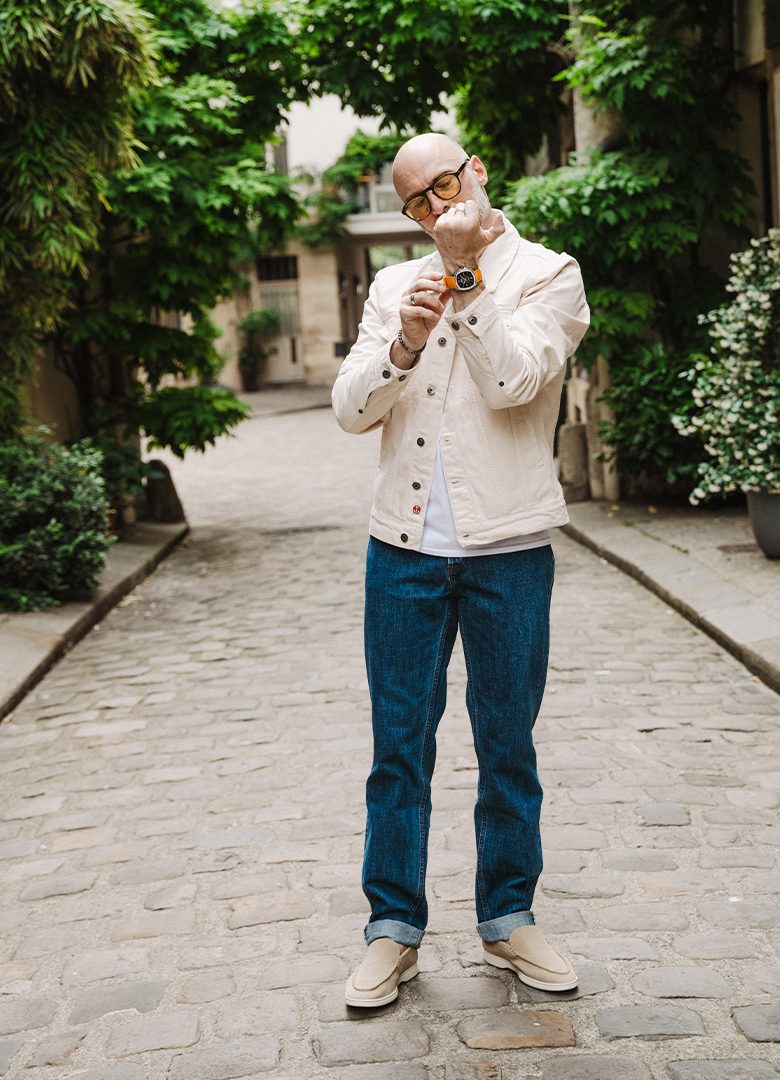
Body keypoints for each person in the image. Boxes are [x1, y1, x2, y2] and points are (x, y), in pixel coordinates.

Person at [331, 132, 590, 1008]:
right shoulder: (388, 285)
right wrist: (400, 348)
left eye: (444, 184)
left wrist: (466, 279)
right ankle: (392, 931)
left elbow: (516, 381)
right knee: (397, 753)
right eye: (417, 202)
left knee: (507, 747)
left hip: (509, 552)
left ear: (478, 167)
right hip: (400, 552)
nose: (437, 208)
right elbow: (348, 409)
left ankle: (509, 921)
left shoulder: (552, 274)